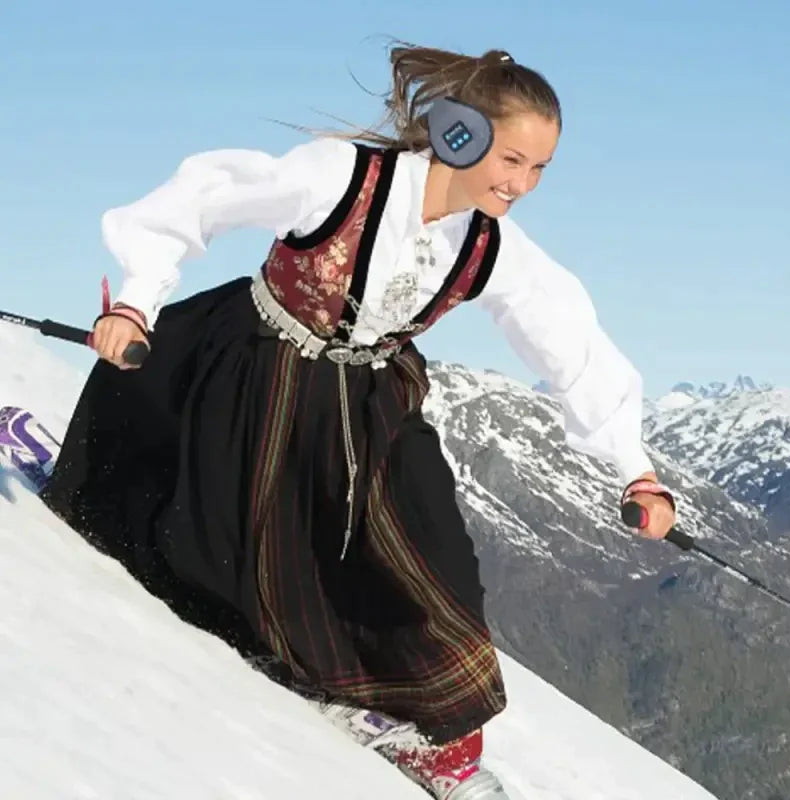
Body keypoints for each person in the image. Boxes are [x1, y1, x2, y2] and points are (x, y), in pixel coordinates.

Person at [41, 42, 677, 800]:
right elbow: (205, 197)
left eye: (540, 170)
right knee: (218, 551)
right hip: (253, 372)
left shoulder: (489, 243)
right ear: (461, 133)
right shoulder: (342, 176)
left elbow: (571, 342)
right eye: (512, 159)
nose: (523, 184)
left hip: (372, 405)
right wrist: (135, 300)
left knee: (438, 563)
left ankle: (434, 737)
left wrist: (633, 466)